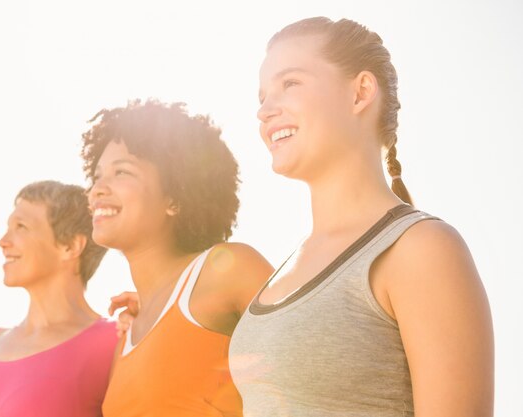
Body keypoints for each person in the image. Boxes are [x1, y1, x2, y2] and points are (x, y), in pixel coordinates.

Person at [228, 17, 494, 417]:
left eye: (290, 84)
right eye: (262, 96)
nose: (264, 111)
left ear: (360, 93)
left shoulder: (422, 249)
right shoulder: (285, 269)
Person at [82, 99, 274, 416]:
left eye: (121, 172)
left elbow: (320, 372)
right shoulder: (127, 335)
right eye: (97, 175)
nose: (97, 189)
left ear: (174, 197)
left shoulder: (228, 270)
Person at [0, 180, 118, 417]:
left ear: (70, 246)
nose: (3, 241)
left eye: (21, 227)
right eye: (8, 227)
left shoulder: (113, 341)